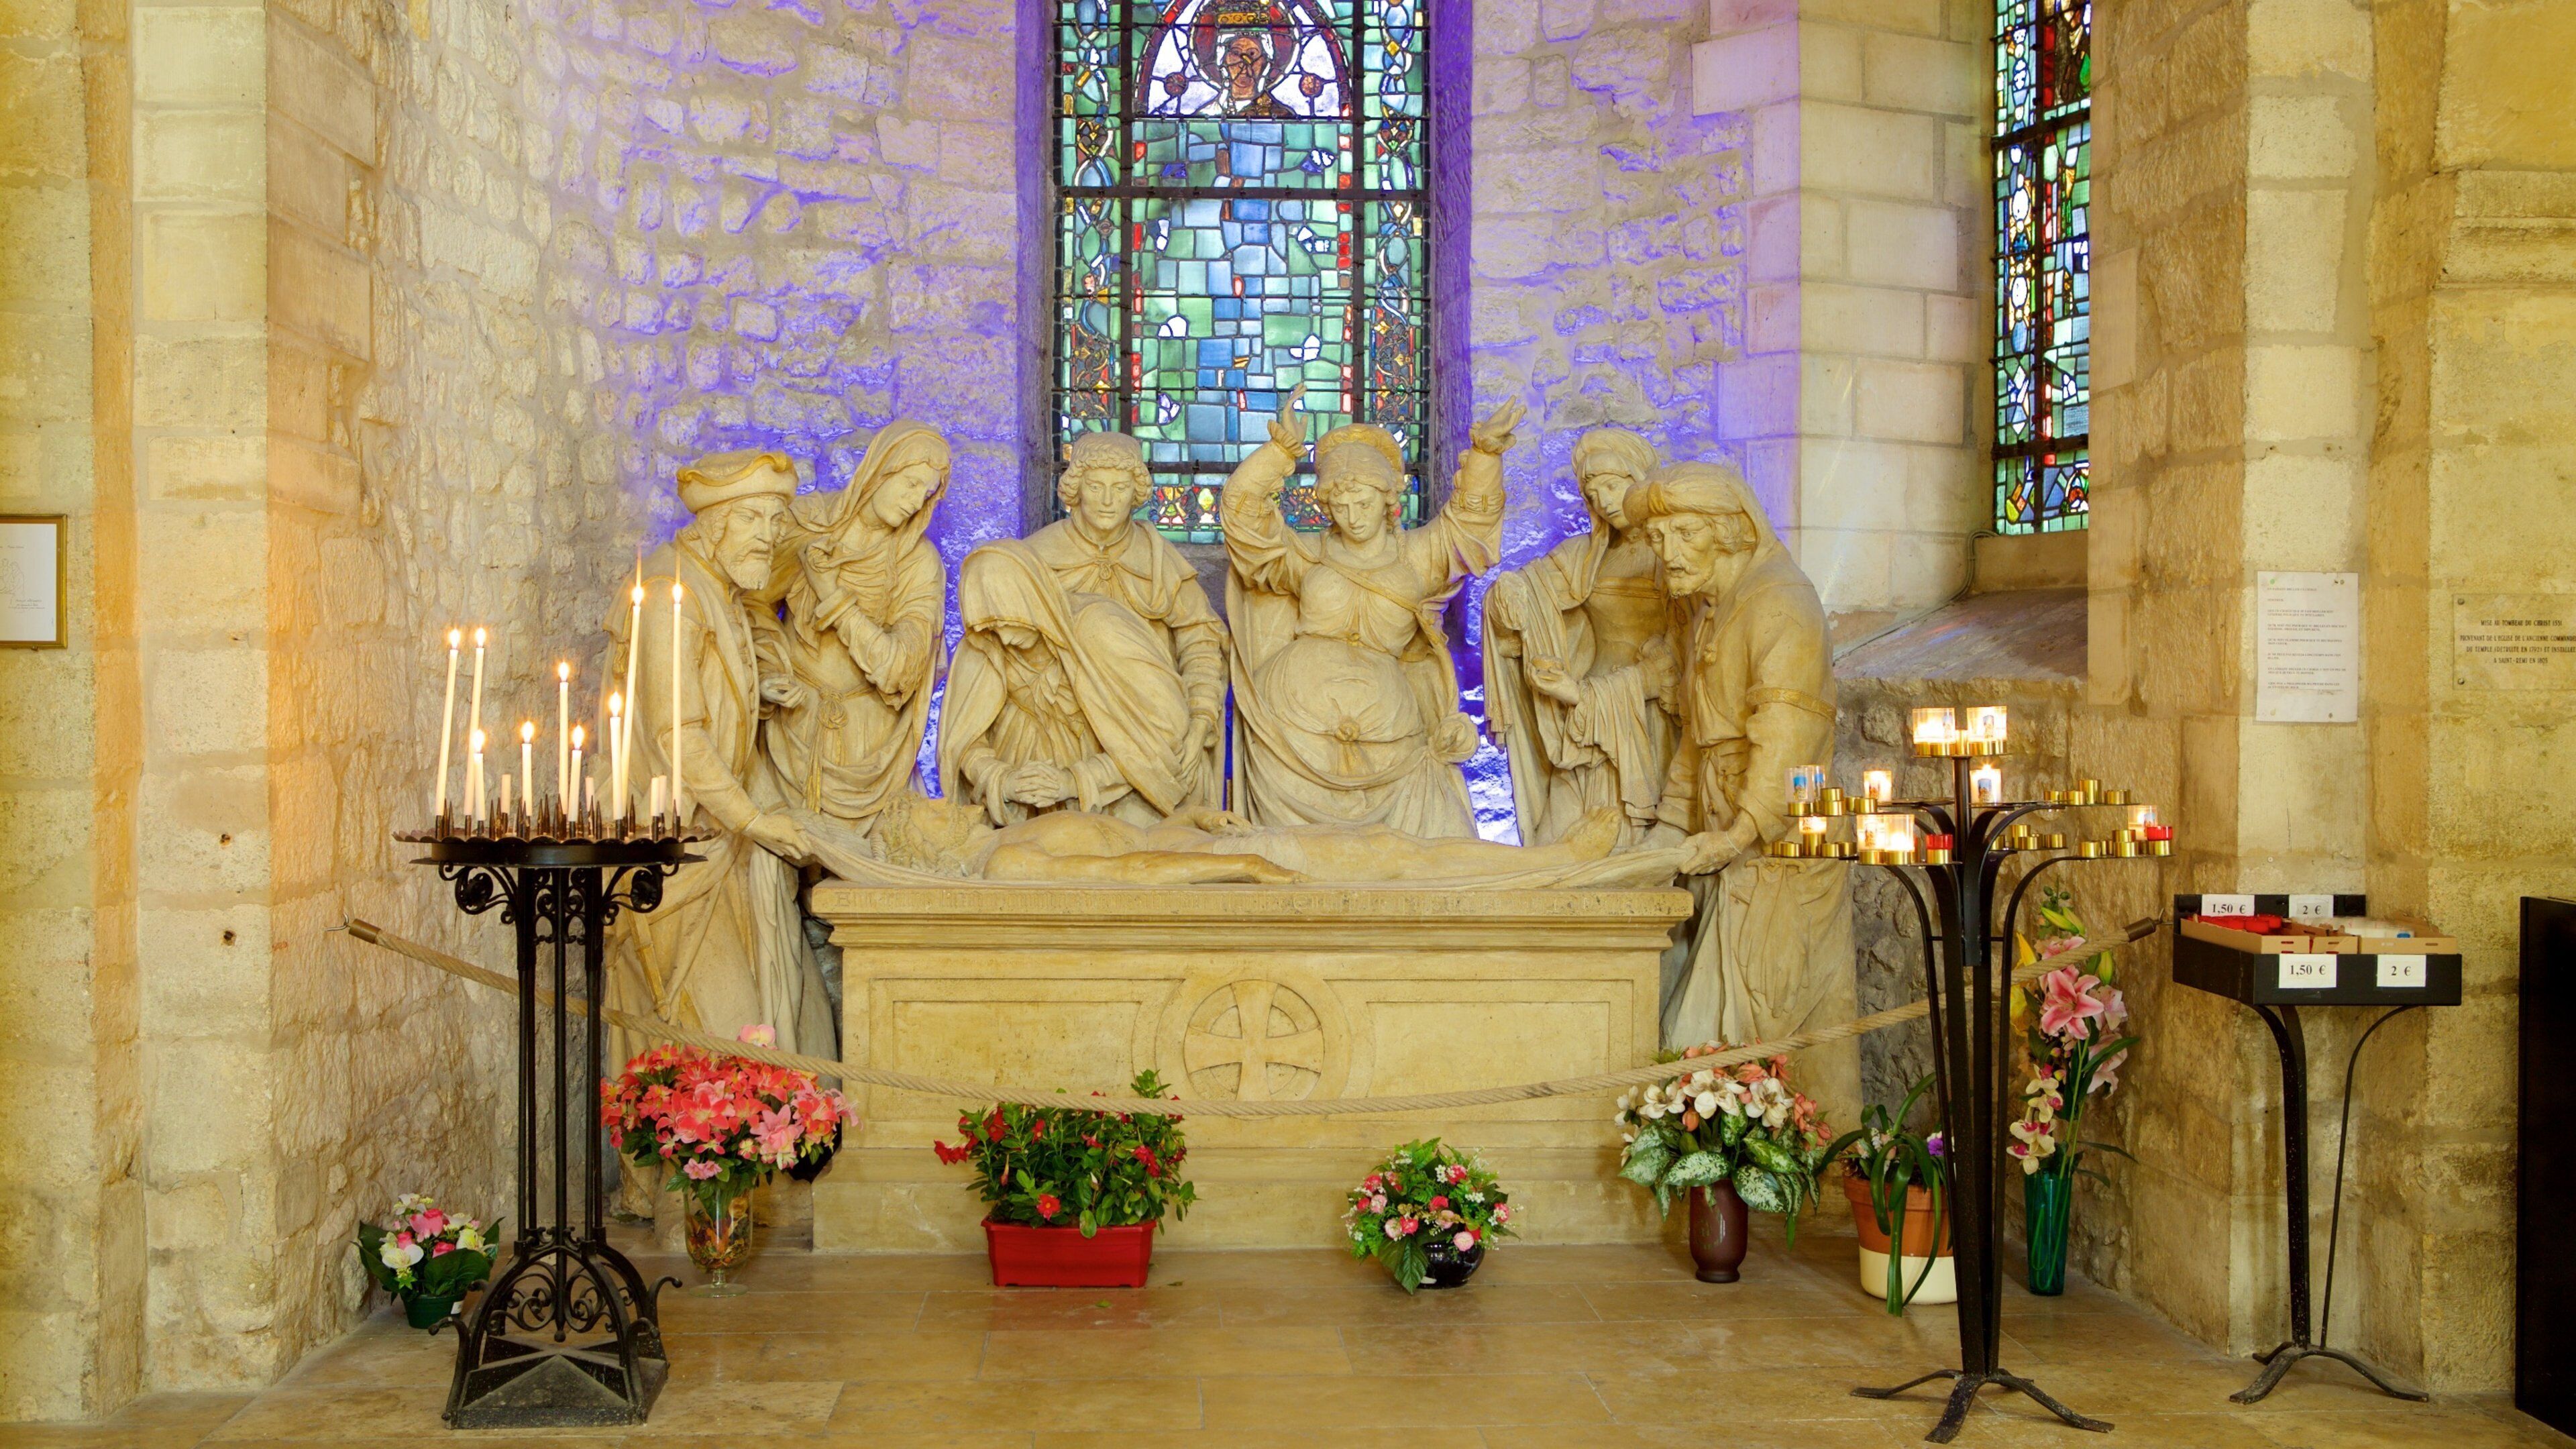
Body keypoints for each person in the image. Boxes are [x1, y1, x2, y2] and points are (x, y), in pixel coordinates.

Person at [601, 450, 837, 1214]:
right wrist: (756, 820)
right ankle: (685, 1207)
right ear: (717, 522)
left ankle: (734, 1203)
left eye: (777, 519)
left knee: (772, 1026)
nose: (772, 535)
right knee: (713, 1025)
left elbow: (719, 715)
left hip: (719, 843)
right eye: (758, 519)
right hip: (673, 852)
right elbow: (678, 735)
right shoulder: (670, 594)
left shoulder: (718, 590)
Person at [1623, 461, 1858, 1127]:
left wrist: (1738, 832)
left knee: (1749, 1025)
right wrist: (1667, 831)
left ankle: (1811, 1167)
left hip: (1780, 848)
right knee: (1687, 1025)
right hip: (1722, 844)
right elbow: (1698, 741)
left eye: (1684, 533)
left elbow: (1789, 735)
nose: (1667, 552)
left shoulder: (1781, 604)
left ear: (1728, 531)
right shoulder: (1708, 612)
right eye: (1660, 538)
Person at [1223, 387, 1525, 837]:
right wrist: (1278, 453)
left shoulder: (1417, 555)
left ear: (1388, 499)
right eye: (1340, 506)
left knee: (1429, 849)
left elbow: (1471, 529)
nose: (1353, 517)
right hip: (1292, 724)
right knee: (1294, 860)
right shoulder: (1307, 555)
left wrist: (1485, 455)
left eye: (1363, 503)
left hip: (1389, 730)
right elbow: (1243, 520)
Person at [938, 432, 1228, 826]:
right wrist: (1001, 775)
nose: (1107, 500)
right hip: (1051, 733)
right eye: (1095, 487)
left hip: (1143, 724)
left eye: (1119, 488)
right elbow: (994, 655)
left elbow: (1201, 642)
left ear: (1136, 492)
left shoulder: (1159, 561)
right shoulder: (1034, 561)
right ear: (1075, 490)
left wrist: (1200, 718)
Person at [1482, 427, 1681, 848]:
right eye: (1592, 494)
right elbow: (1528, 589)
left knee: (1628, 846)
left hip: (1645, 713)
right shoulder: (1586, 556)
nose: (1603, 501)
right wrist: (1507, 594)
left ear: (1639, 481)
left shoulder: (1672, 555)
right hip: (1584, 713)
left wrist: (1600, 693)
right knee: (1554, 841)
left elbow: (1684, 646)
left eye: (1612, 487)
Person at [763, 421, 949, 834]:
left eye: (926, 494)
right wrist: (764, 672)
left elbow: (900, 668)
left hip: (872, 747)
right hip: (792, 726)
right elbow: (751, 605)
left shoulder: (918, 563)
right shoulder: (809, 524)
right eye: (911, 483)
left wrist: (833, 597)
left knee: (887, 861)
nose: (914, 502)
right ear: (881, 468)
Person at [843, 794, 1635, 888]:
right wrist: (1243, 865)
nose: (941, 804)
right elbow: (1128, 874)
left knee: (1389, 846)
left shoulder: (1014, 834)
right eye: (924, 815)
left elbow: (1135, 840)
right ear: (925, 852)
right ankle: (1555, 863)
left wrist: (1192, 821)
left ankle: (1549, 861)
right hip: (1221, 867)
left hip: (1210, 849)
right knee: (1392, 854)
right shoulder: (1009, 861)